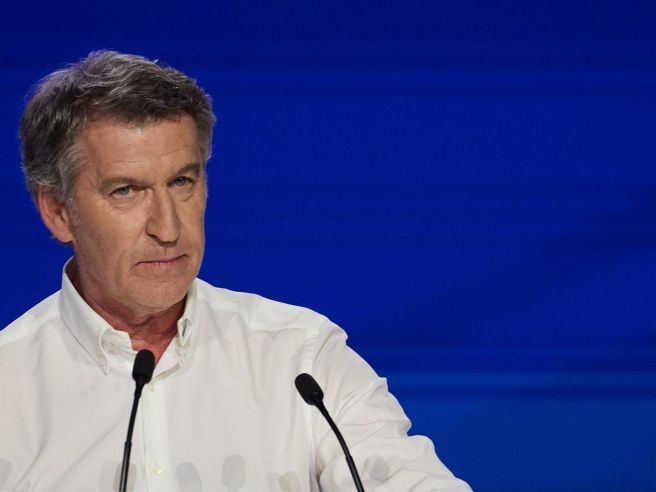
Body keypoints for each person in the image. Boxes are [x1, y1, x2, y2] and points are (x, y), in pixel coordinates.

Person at [0, 51, 471, 491]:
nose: (167, 228)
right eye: (126, 191)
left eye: (181, 181)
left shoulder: (300, 360)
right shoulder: (10, 386)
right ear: (57, 211)